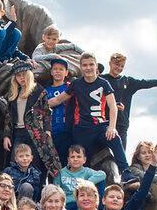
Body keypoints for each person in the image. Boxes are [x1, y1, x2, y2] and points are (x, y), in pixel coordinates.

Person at [47, 53, 136, 182]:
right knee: (83, 160)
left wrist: (112, 127)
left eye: (91, 64)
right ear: (81, 67)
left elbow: (112, 106)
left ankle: (126, 173)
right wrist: (35, 103)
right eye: (84, 65)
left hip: (100, 126)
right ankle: (80, 186)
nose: (88, 68)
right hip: (82, 129)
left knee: (115, 138)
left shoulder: (103, 83)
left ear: (95, 66)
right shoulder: (76, 84)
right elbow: (58, 99)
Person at [102, 52, 157, 148]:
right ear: (110, 63)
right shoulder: (102, 80)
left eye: (122, 66)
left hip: (121, 125)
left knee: (119, 158)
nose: (119, 68)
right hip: (104, 123)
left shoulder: (128, 82)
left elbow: (148, 83)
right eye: (117, 65)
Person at [1, 61, 61, 178]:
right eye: (18, 75)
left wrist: (47, 131)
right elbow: (9, 116)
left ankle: (38, 193)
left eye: (24, 74)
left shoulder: (39, 91)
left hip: (36, 132)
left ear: (29, 74)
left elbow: (47, 112)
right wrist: (6, 135)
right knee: (15, 163)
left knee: (37, 164)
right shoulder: (13, 94)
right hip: (18, 132)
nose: (22, 78)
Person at [54, 144, 105, 210]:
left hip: (82, 202)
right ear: (68, 160)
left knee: (101, 181)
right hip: (67, 204)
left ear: (84, 160)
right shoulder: (61, 173)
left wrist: (86, 183)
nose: (75, 159)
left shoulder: (86, 171)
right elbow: (55, 189)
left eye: (79, 157)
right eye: (72, 157)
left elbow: (102, 174)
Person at [44, 57, 73, 164]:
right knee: (52, 164)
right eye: (55, 69)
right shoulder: (45, 90)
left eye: (61, 69)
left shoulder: (70, 87)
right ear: (51, 72)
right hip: (51, 132)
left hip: (67, 132)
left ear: (66, 73)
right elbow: (42, 106)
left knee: (66, 163)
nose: (57, 71)